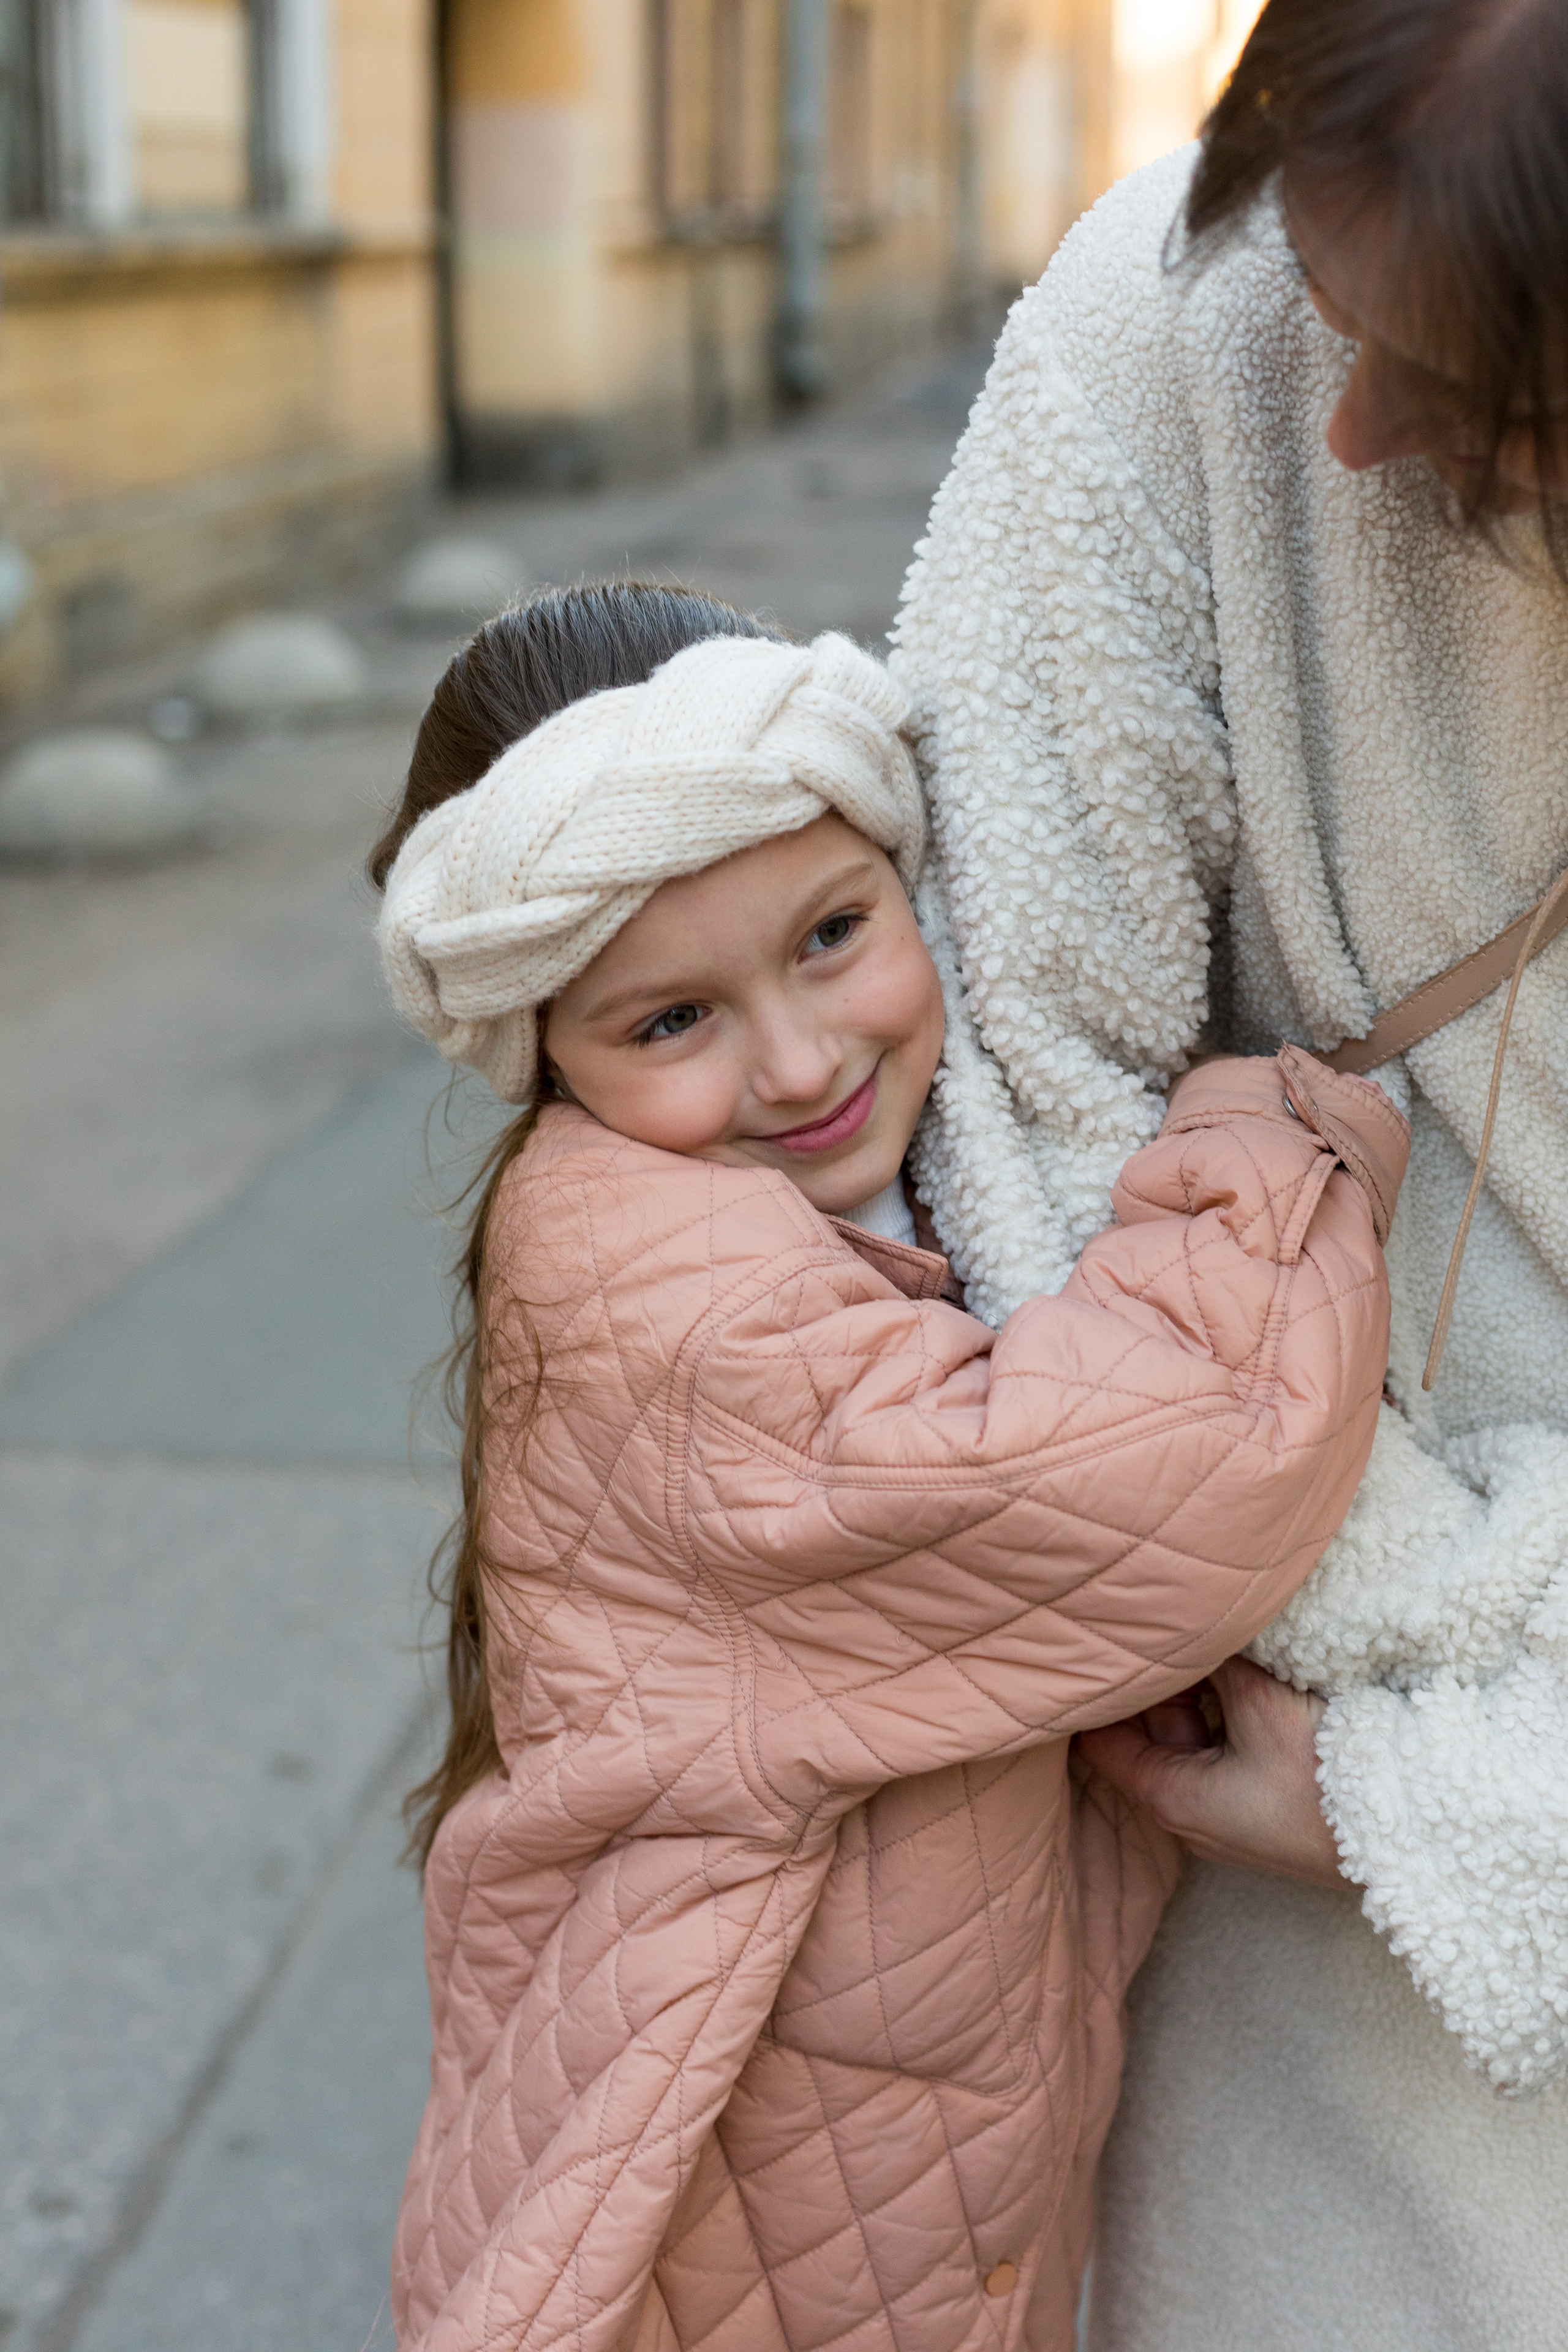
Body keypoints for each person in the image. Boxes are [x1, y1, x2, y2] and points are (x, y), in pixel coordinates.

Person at [366, 584, 1404, 2352]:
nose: (796, 1061)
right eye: (669, 1023)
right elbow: (1177, 1475)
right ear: (546, 1051)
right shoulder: (659, 1293)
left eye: (835, 933)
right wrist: (1261, 1147)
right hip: (730, 2216)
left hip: (879, 2172)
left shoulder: (770, 1199)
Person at [892, 0, 1568, 2344]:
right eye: (1328, 309)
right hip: (1253, 1672)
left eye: (1486, 405)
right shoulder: (1174, 330)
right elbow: (1008, 1059)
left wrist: (1493, 1803)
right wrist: (1372, 1647)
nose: (1357, 429)